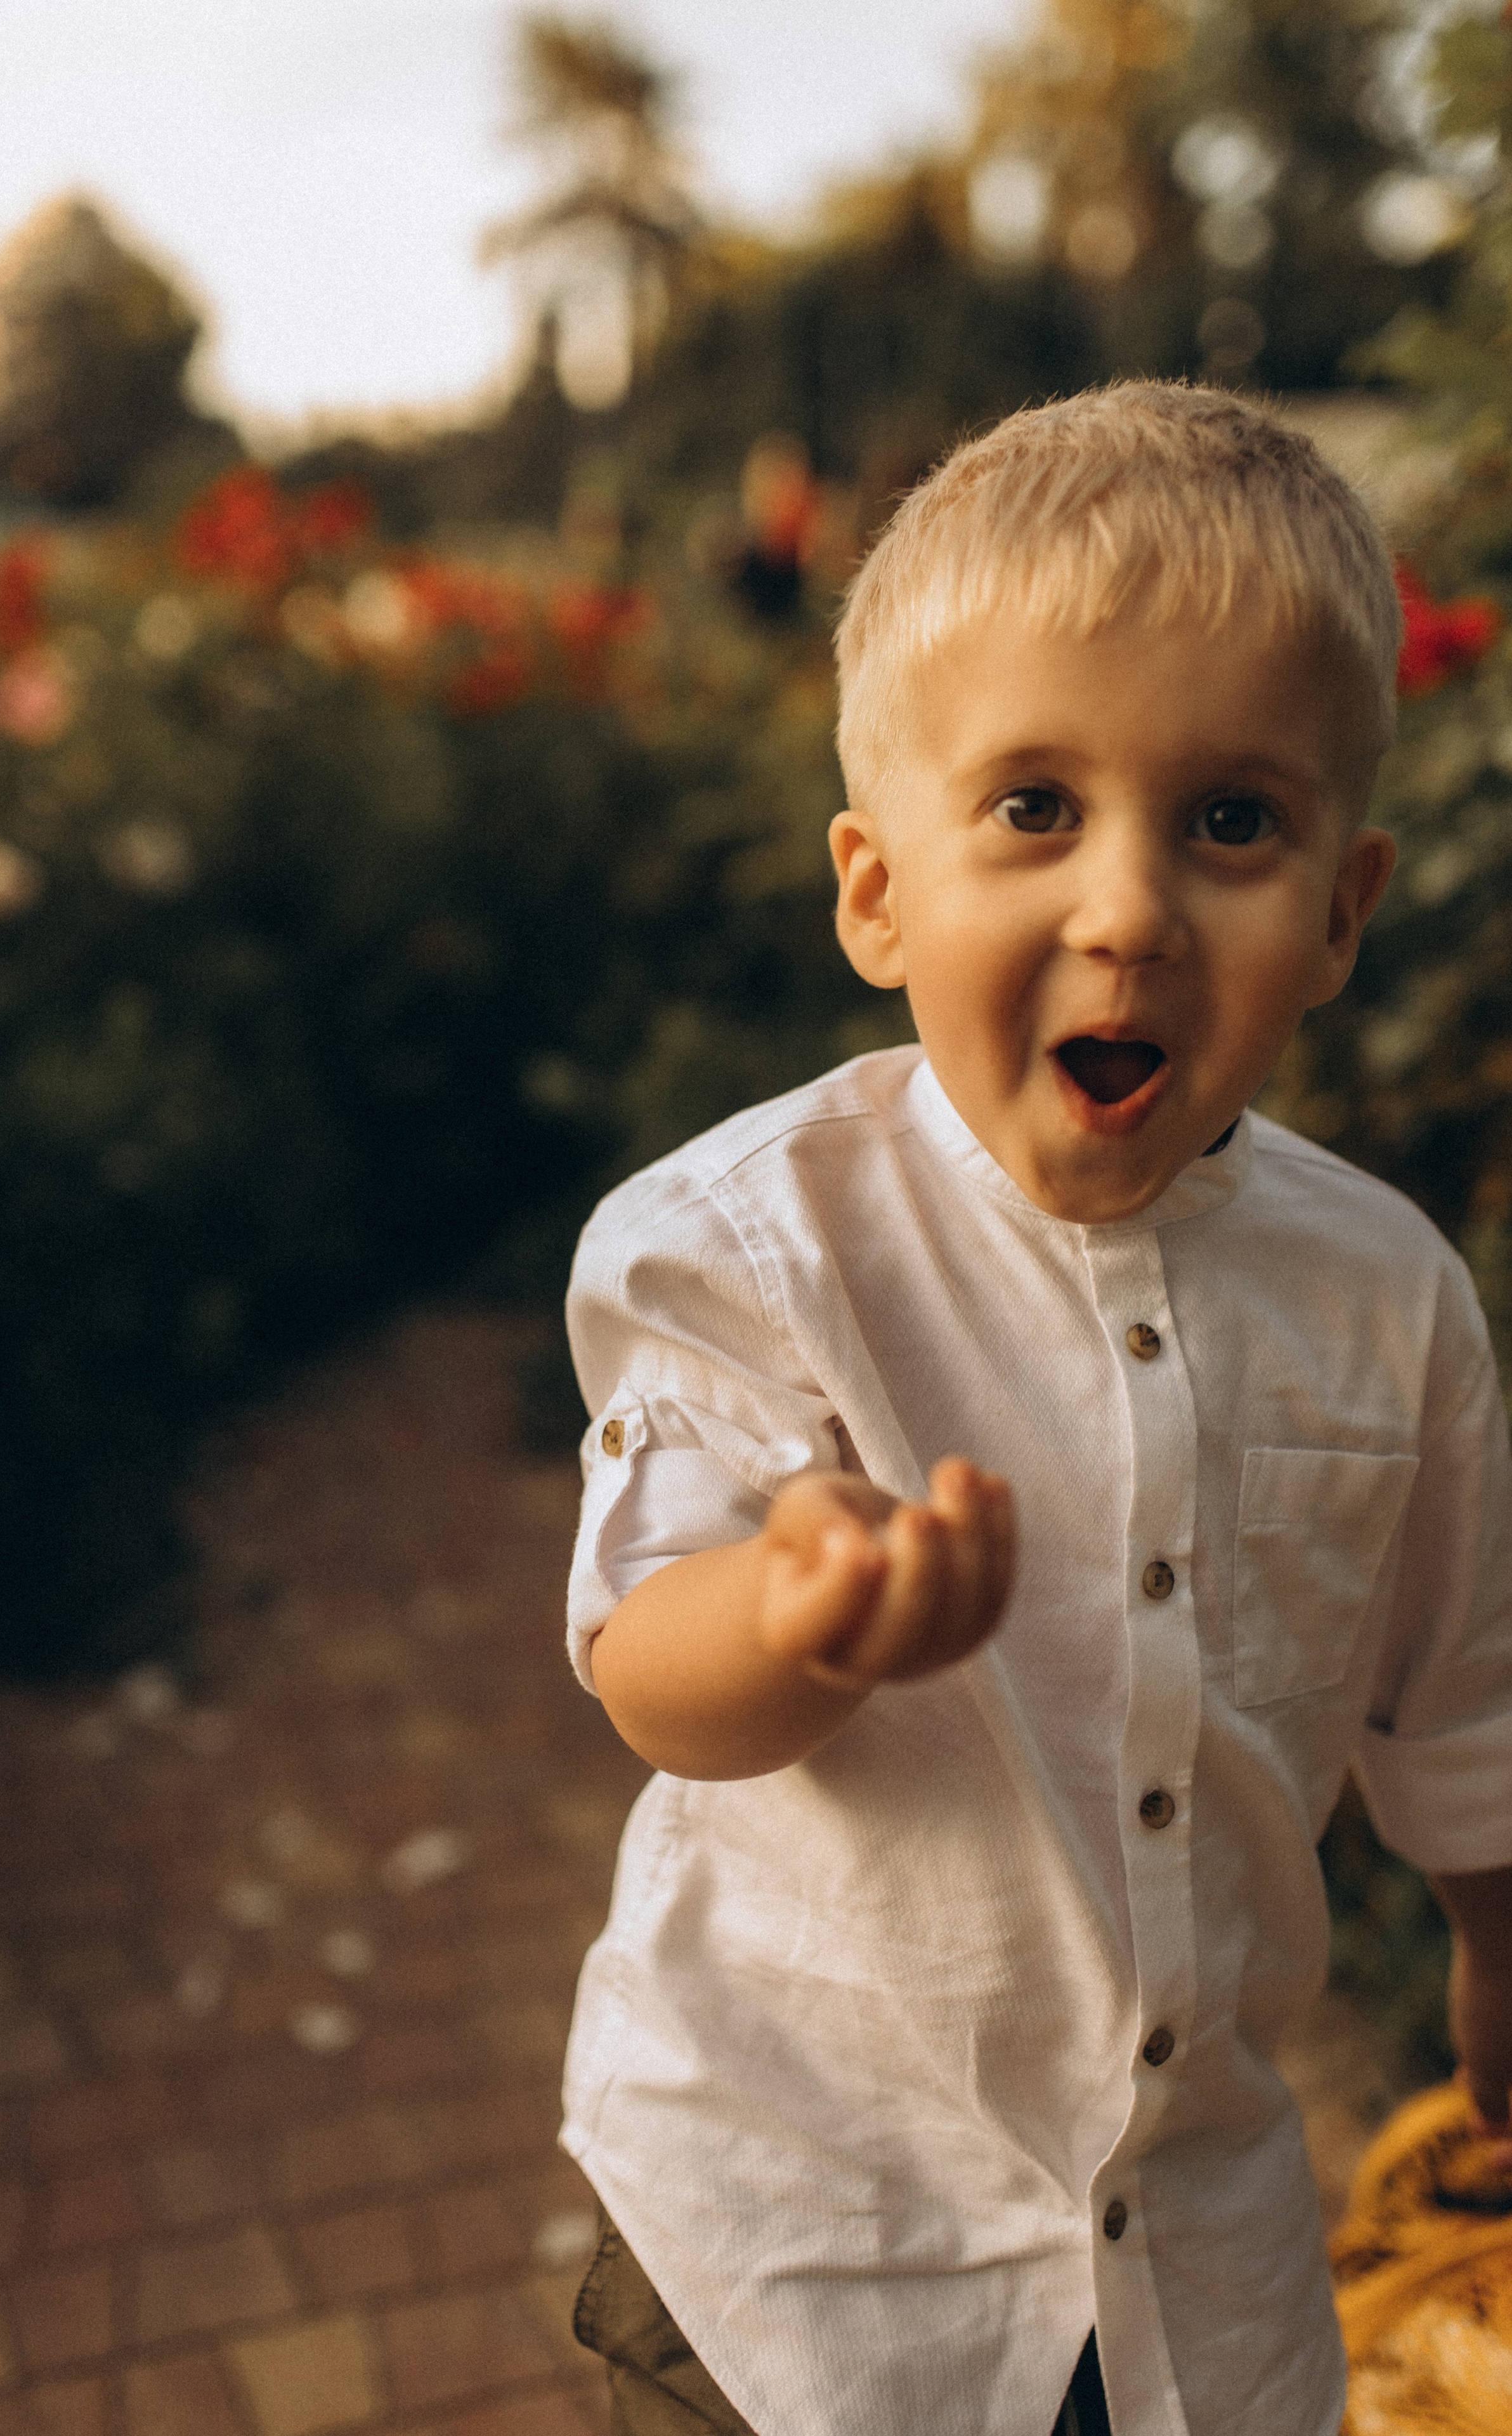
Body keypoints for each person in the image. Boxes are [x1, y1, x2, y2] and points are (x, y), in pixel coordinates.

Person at [559, 383, 1512, 2436]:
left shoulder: (1390, 1301)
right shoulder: (748, 1244)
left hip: (1197, 2261)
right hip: (801, 2251)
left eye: (1232, 821)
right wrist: (797, 1626)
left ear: (1345, 911)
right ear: (877, 891)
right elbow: (651, 1667)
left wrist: (1496, 1948)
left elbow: (1464, 1697)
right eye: (1033, 809)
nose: (1130, 909)